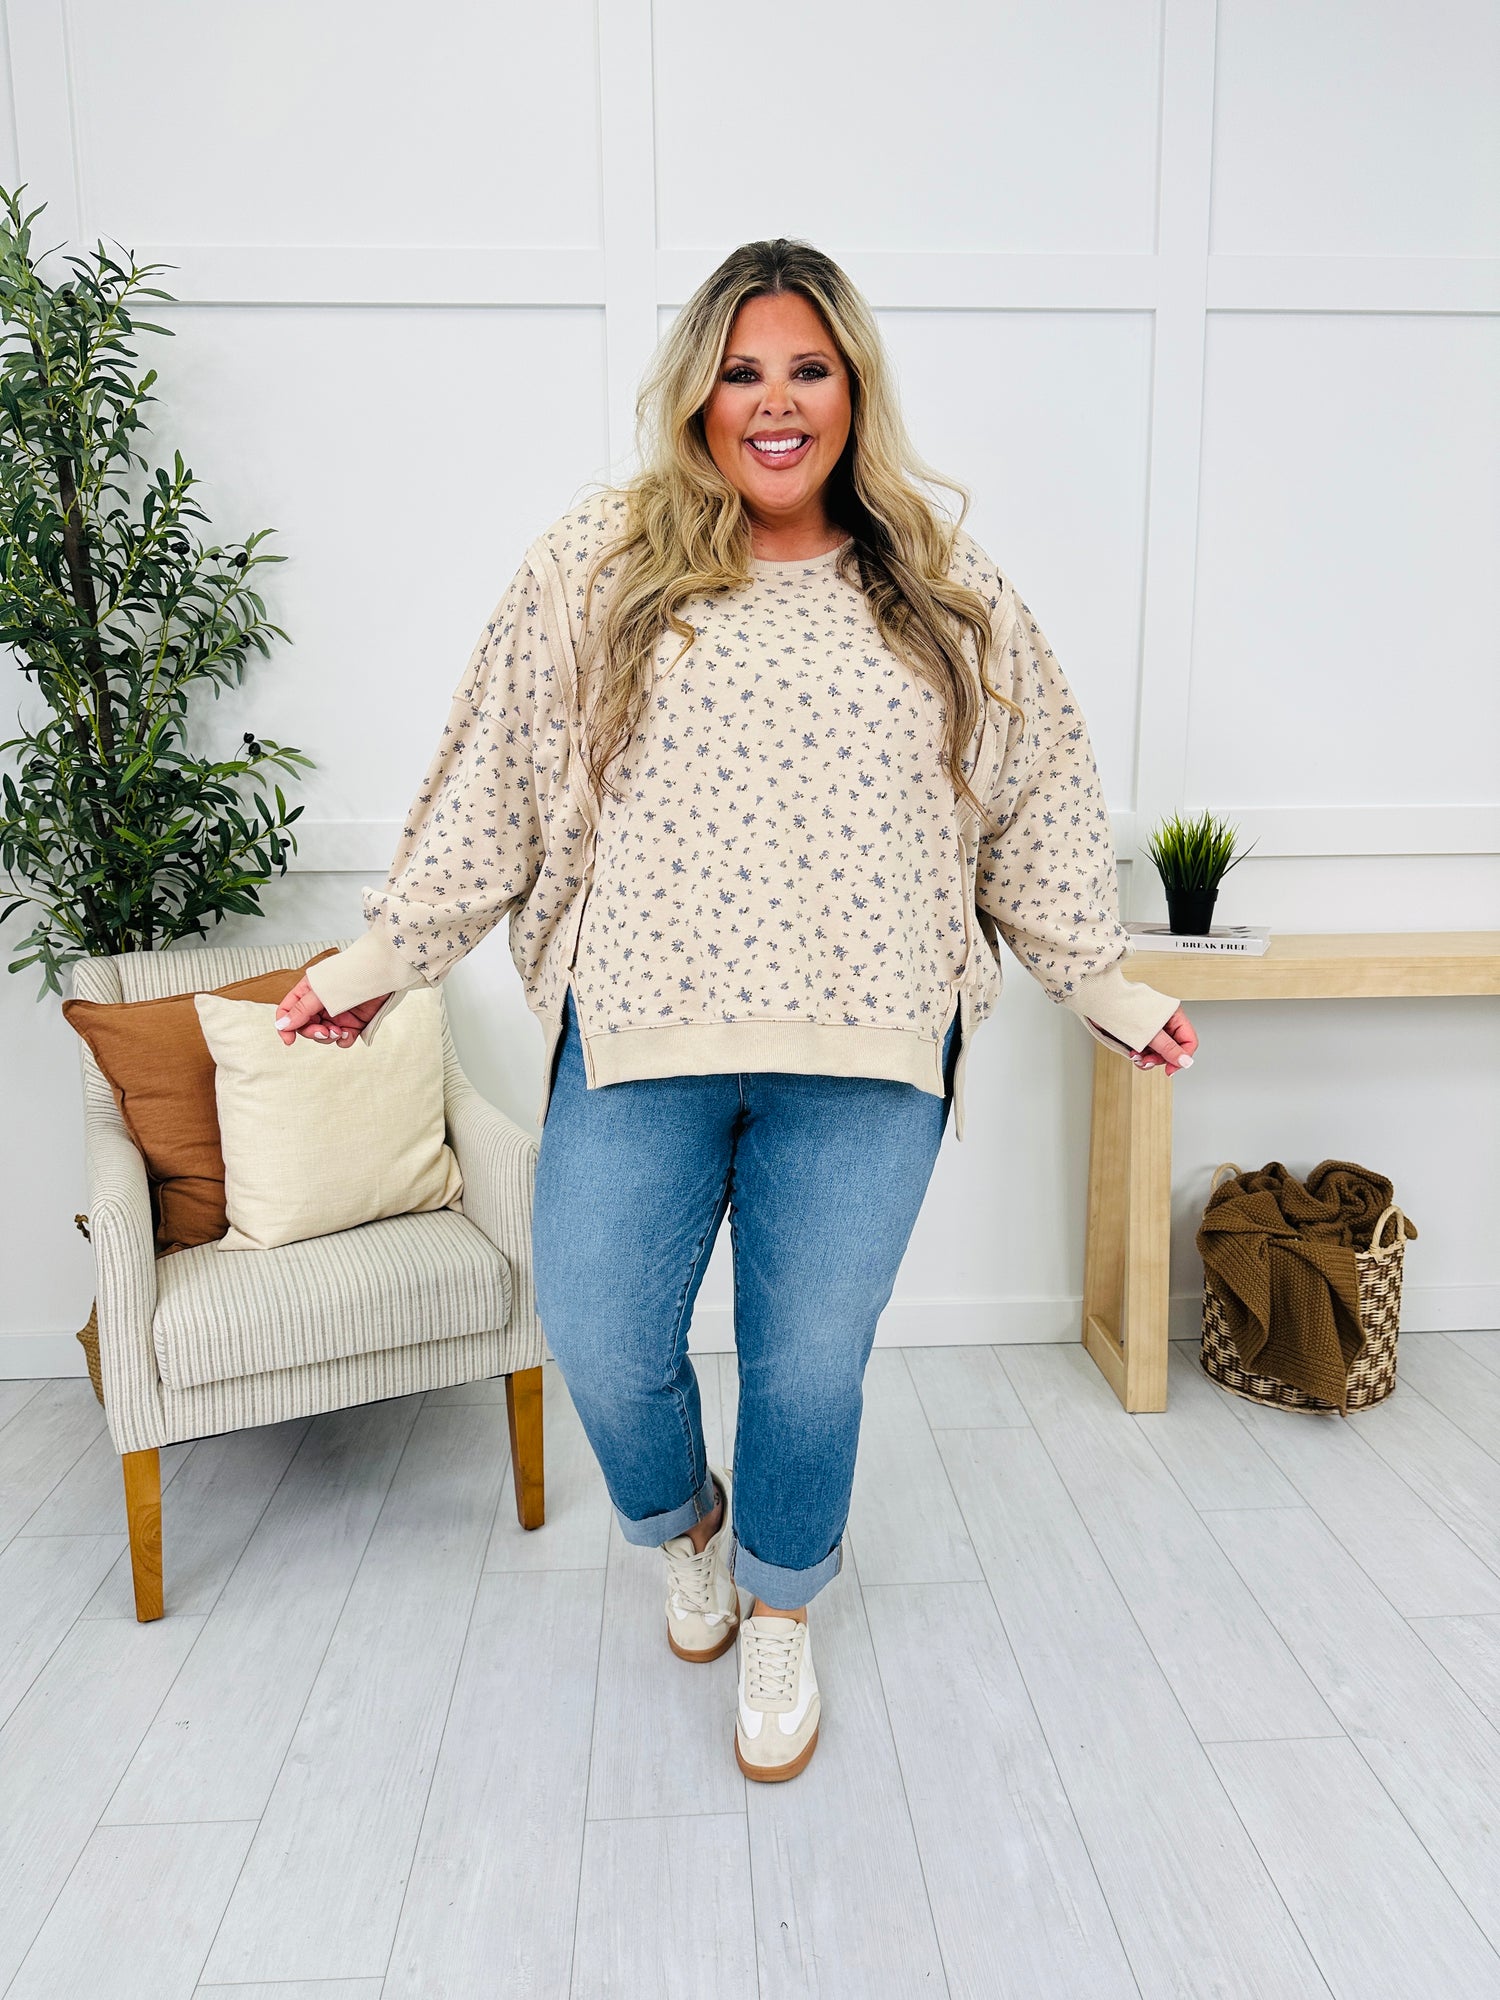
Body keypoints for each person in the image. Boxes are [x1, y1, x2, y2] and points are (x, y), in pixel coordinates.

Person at [274, 237, 1198, 1782]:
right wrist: (382, 962)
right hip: (644, 1027)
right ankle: (685, 1527)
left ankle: (778, 1606)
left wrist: (1097, 976)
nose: (776, 403)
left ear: (854, 391)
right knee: (599, 1327)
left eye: (808, 370)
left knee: (809, 1365)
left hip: (872, 1045)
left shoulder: (947, 589)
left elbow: (1034, 790)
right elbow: (499, 775)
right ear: (698, 392)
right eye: (742, 371)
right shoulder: (600, 565)